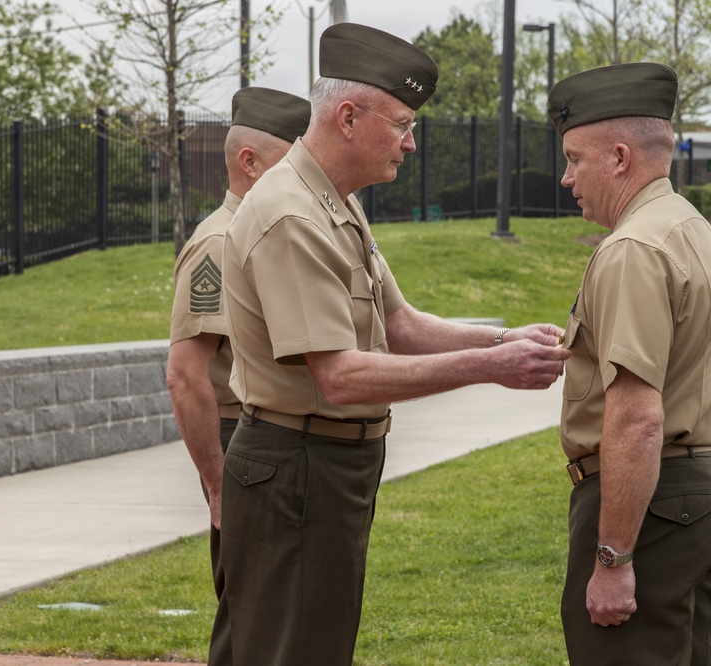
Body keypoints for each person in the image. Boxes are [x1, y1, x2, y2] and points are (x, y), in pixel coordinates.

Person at [215, 22, 570, 666]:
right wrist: (491, 366)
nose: (411, 142)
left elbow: (399, 323)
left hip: (322, 467)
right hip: (297, 464)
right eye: (403, 123)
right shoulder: (293, 213)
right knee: (291, 651)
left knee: (309, 645)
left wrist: (500, 337)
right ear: (348, 116)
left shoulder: (332, 201)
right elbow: (341, 377)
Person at [548, 63, 711, 665]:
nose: (565, 178)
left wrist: (613, 558)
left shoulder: (633, 249)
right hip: (704, 487)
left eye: (574, 160)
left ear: (617, 157)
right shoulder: (701, 235)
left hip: (651, 504)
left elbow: (636, 417)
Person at [165, 86, 312, 663]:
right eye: (290, 160)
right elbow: (185, 375)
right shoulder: (220, 243)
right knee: (251, 613)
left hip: (272, 441)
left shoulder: (269, 232)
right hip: (240, 439)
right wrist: (219, 485)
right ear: (248, 162)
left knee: (279, 613)